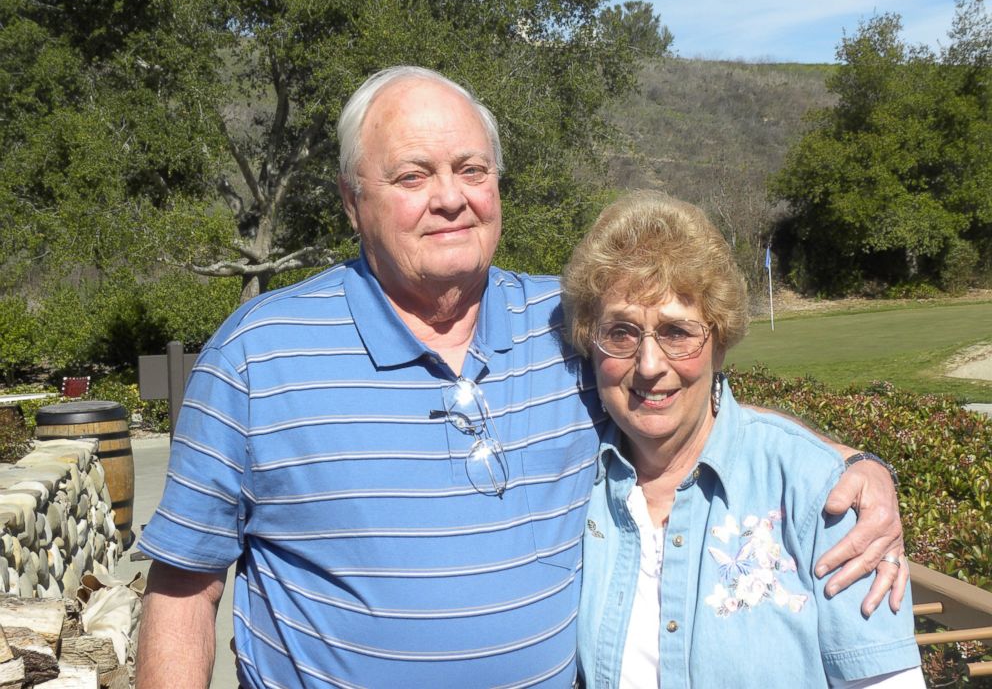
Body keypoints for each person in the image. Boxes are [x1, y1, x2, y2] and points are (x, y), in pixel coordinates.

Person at [135, 67, 906, 688]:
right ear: (351, 199)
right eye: (413, 175)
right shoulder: (257, 355)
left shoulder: (568, 323)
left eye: (472, 169)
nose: (450, 197)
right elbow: (185, 590)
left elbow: (696, 406)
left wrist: (852, 469)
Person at [564, 191, 923, 687]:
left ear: (719, 343)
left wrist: (856, 463)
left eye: (677, 332)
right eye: (621, 333)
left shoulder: (820, 493)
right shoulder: (576, 483)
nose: (649, 366)